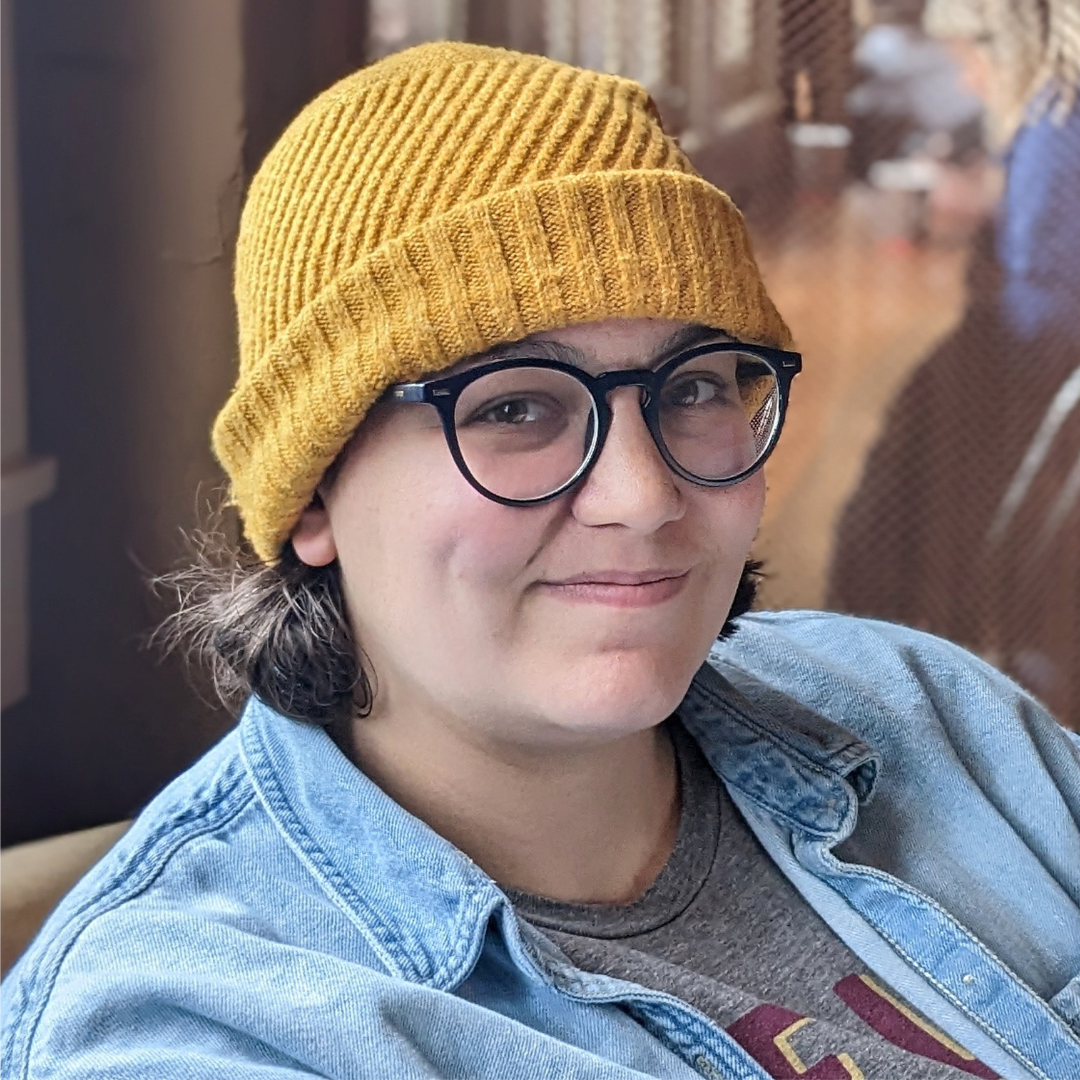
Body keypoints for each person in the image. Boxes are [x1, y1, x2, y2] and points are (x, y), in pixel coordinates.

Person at [2, 42, 1078, 1080]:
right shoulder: (198, 1026)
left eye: (697, 386)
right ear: (314, 493)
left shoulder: (928, 715)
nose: (643, 499)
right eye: (515, 407)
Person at [829, 0, 1080, 726]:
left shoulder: (1058, 125)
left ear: (1013, 41)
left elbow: (1050, 318)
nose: (968, 79)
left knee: (893, 511)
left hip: (1033, 388)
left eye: (970, 53)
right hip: (1027, 372)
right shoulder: (1049, 122)